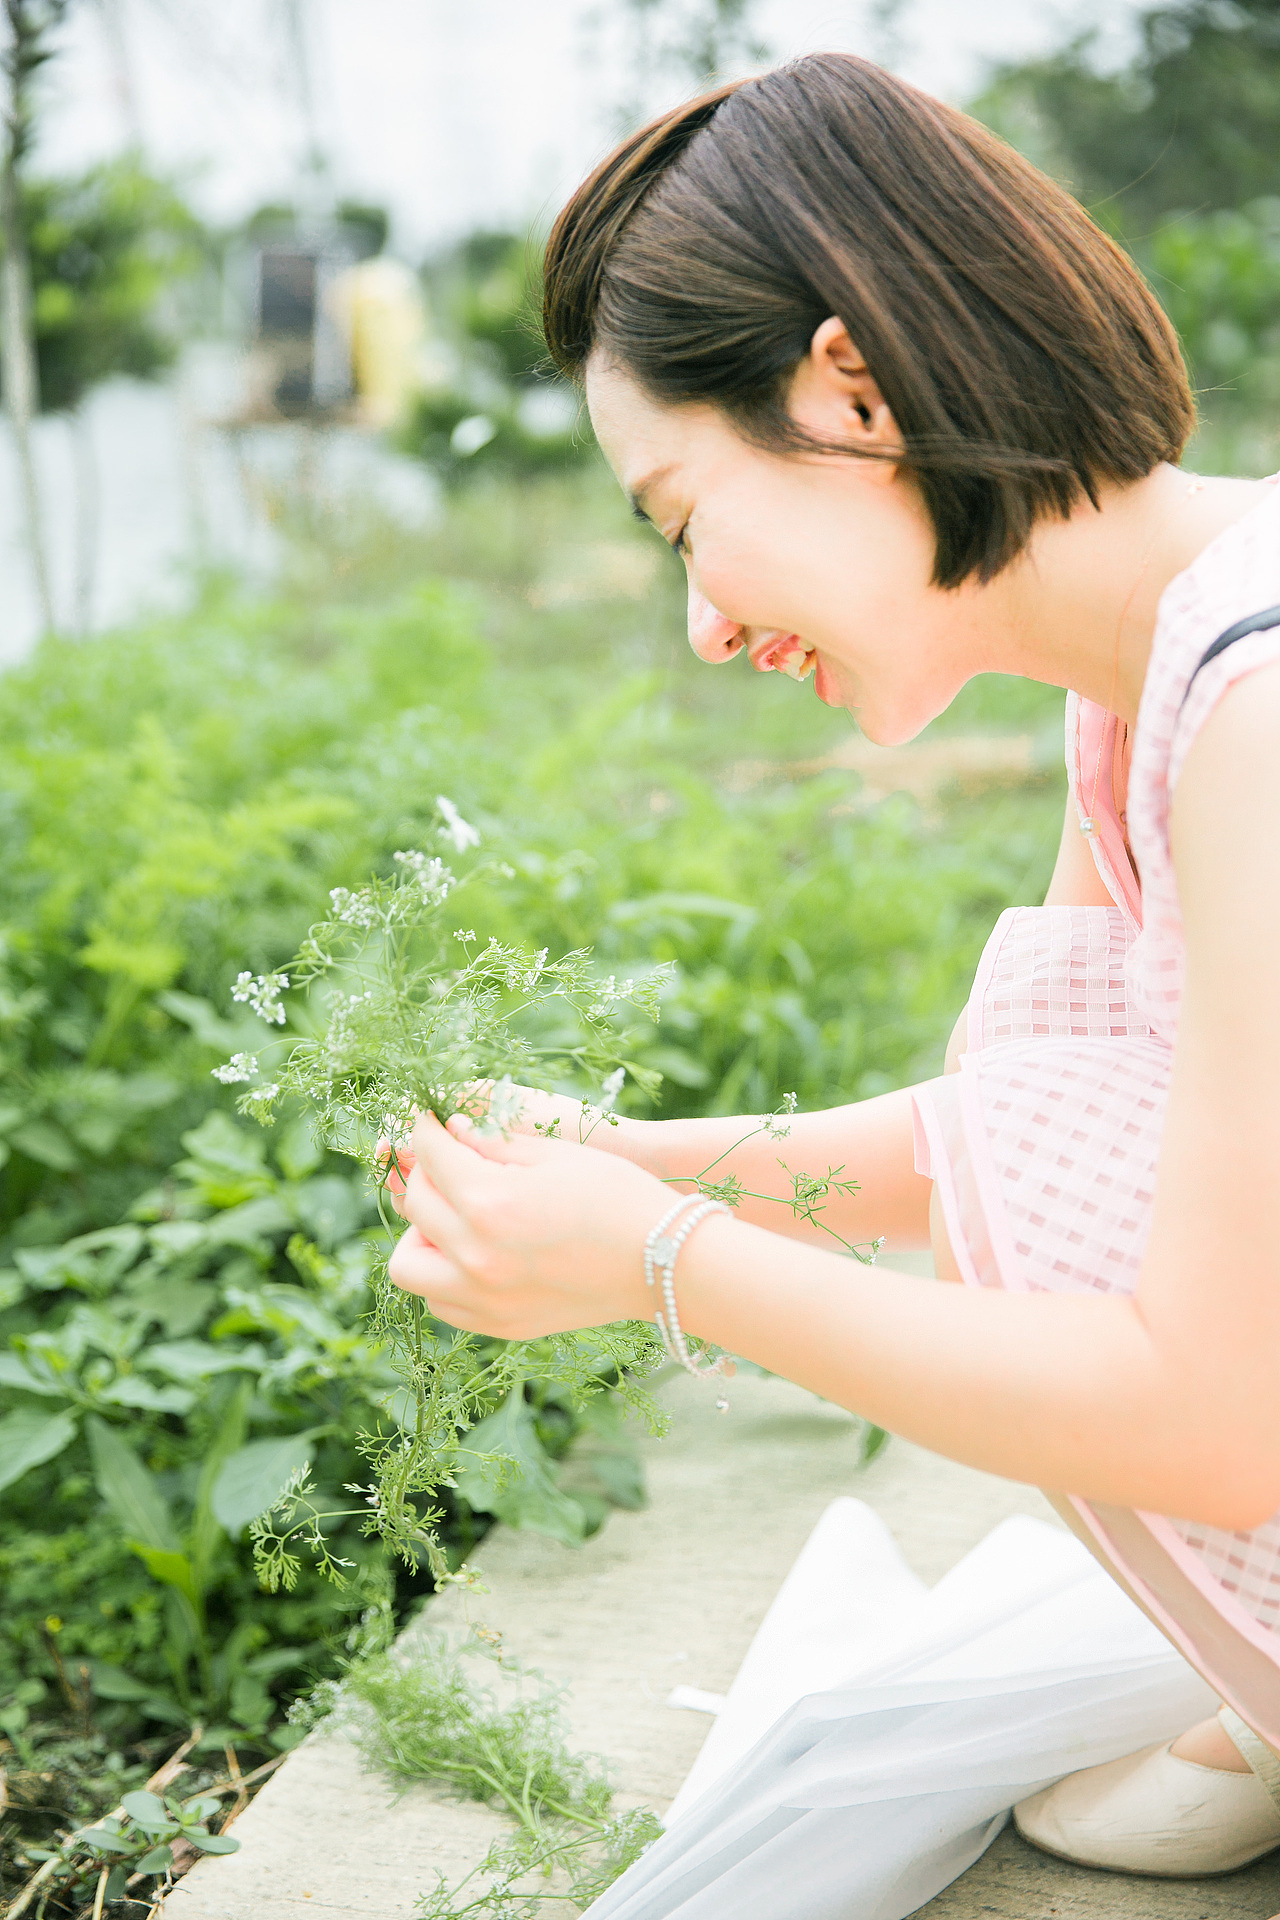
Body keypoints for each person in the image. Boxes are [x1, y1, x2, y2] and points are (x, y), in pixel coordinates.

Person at [385, 52, 1280, 1905]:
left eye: (683, 520)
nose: (706, 624)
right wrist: (634, 1165)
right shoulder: (1155, 680)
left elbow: (1220, 1416)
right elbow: (1043, 1131)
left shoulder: (1260, 708)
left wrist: (658, 1264)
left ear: (850, 387)